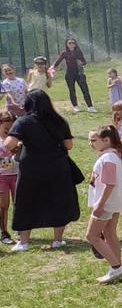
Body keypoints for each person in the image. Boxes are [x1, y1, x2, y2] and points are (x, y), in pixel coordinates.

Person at [5, 90, 79, 252]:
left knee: (27, 201)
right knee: (58, 200)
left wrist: (20, 144)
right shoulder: (60, 120)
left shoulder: (23, 122)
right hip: (57, 167)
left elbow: (9, 144)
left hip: (31, 168)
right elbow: (68, 146)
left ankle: (24, 242)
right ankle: (58, 240)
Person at [83, 125, 122, 284]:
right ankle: (118, 268)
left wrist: (100, 204)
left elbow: (109, 183)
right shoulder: (112, 156)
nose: (90, 143)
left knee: (92, 235)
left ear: (106, 140)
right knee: (109, 234)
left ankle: (116, 268)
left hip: (107, 203)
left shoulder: (108, 158)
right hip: (114, 202)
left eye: (93, 140)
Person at [52, 38, 95, 113]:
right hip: (69, 74)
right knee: (72, 90)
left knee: (85, 90)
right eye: (69, 43)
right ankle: (75, 106)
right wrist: (52, 68)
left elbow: (84, 61)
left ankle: (90, 106)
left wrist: (81, 63)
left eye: (73, 43)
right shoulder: (64, 53)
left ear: (75, 44)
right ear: (66, 44)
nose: (71, 44)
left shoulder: (78, 52)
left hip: (79, 73)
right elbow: (57, 62)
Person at [0, 107, 18, 244]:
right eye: (6, 127)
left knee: (18, 204)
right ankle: (4, 233)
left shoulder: (17, 138)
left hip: (17, 174)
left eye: (11, 127)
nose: (9, 130)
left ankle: (20, 230)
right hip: (2, 177)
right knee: (3, 206)